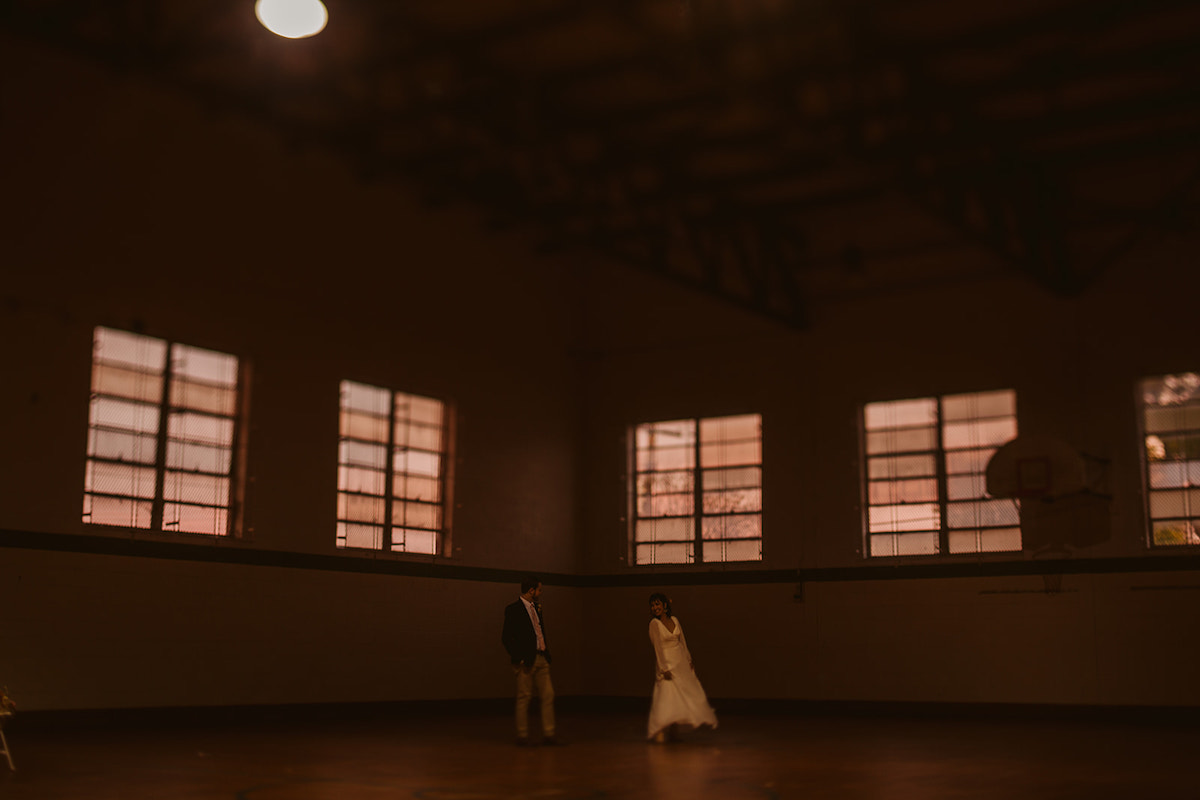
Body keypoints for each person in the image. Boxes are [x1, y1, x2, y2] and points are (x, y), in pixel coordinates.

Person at [646, 592, 717, 743]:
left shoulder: (675, 620)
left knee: (681, 696)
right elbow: (658, 648)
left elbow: (682, 642)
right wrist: (664, 668)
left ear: (665, 605)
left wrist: (688, 659)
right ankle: (660, 728)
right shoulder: (654, 624)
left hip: (680, 662)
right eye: (652, 605)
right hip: (667, 662)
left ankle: (674, 730)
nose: (655, 607)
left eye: (657, 604)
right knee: (667, 695)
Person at [501, 575, 560, 746]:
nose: (541, 593)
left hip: (541, 657)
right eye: (539, 590)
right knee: (524, 697)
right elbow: (506, 637)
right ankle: (522, 735)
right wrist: (518, 658)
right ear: (531, 590)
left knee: (548, 695)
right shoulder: (513, 609)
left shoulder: (537, 608)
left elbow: (539, 631)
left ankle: (549, 734)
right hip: (526, 660)